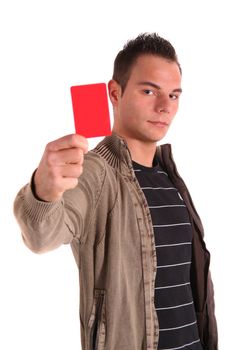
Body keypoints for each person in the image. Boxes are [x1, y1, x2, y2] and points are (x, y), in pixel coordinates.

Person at [14, 33, 218, 350]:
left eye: (174, 95)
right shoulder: (95, 173)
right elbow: (41, 234)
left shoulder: (169, 176)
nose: (165, 107)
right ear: (115, 92)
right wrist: (43, 190)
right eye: (149, 90)